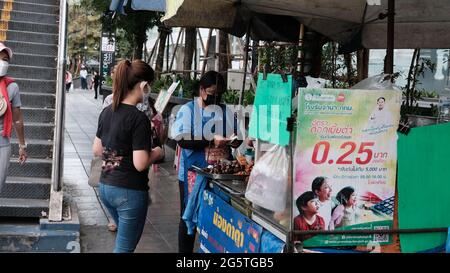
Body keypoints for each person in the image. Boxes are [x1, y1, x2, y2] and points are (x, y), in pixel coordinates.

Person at [92, 59, 164, 253]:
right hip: (129, 191)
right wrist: (157, 152)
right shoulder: (138, 118)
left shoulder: (107, 111)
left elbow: (97, 150)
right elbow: (140, 164)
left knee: (123, 244)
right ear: (143, 85)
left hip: (106, 186)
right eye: (150, 86)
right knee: (124, 248)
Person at [171, 71, 242, 253]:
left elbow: (237, 135)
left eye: (220, 94)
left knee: (218, 215)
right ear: (202, 90)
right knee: (189, 213)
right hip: (193, 173)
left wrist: (235, 141)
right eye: (212, 92)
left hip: (221, 174)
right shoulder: (188, 110)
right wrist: (211, 139)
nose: (216, 97)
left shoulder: (226, 112)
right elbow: (181, 138)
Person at [0, 43, 27, 193]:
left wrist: (22, 146)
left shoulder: (12, 87)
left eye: (5, 60)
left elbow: (17, 120)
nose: (3, 63)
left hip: (2, 144)